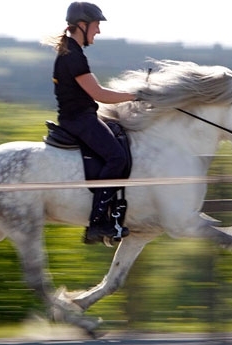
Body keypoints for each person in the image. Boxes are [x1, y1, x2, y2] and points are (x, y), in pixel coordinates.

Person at [50, 2, 136, 243]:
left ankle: (114, 211)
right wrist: (136, 96)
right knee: (116, 157)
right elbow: (99, 94)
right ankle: (97, 223)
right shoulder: (73, 56)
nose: (98, 31)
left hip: (81, 116)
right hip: (79, 120)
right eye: (97, 25)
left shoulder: (71, 51)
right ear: (82, 25)